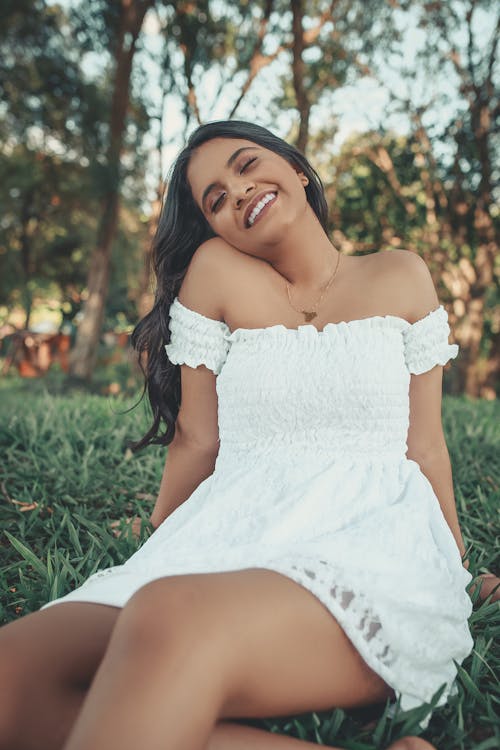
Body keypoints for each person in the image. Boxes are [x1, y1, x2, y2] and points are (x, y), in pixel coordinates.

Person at [1, 120, 497, 750]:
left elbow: (425, 447)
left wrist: (454, 571)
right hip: (229, 530)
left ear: (296, 168)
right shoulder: (216, 272)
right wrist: (160, 538)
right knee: (11, 676)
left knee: (170, 618)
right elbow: (195, 439)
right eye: (214, 198)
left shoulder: (402, 275)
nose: (236, 191)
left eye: (246, 165)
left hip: (367, 543)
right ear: (214, 227)